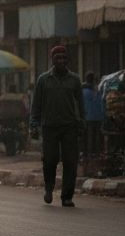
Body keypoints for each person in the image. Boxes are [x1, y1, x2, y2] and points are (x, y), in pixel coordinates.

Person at [30, 45, 84, 207]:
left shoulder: (74, 80)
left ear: (67, 60)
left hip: (69, 127)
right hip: (49, 127)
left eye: (64, 58)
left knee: (70, 161)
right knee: (50, 160)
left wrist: (82, 123)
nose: (61, 61)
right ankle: (48, 188)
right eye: (57, 58)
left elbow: (80, 105)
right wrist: (34, 124)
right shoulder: (43, 80)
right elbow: (36, 105)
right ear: (52, 60)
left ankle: (67, 197)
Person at [83, 72, 104, 157]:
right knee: (97, 135)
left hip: (88, 116)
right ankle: (97, 152)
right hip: (98, 116)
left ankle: (89, 153)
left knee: (89, 136)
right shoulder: (98, 90)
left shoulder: (83, 91)